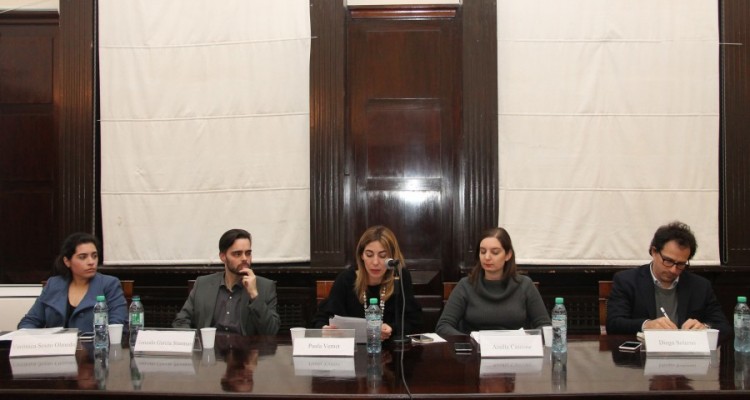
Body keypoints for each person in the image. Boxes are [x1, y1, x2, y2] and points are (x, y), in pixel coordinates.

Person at [606, 221, 731, 338]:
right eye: (668, 261)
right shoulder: (627, 281)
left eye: (681, 264)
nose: (673, 270)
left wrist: (705, 327)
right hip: (642, 357)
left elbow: (724, 327)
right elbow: (613, 324)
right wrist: (646, 325)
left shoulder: (700, 286)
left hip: (687, 357)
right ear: (654, 252)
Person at [312, 225, 422, 340]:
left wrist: (391, 328)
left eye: (383, 256)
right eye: (369, 255)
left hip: (391, 350)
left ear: (392, 258)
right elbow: (321, 318)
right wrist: (324, 328)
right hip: (354, 350)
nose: (375, 262)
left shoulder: (399, 277)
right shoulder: (346, 279)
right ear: (361, 255)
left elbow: (415, 321)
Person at [436, 227, 550, 337]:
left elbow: (545, 326)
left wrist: (525, 339)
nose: (487, 257)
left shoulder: (525, 285)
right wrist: (470, 341)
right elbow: (443, 326)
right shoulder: (466, 285)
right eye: (482, 251)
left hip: (515, 350)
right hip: (475, 350)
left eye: (495, 252)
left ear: (508, 255)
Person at [173, 229, 280, 335]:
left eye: (248, 253)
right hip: (210, 349)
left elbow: (271, 331)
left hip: (246, 351)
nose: (244, 258)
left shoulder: (265, 287)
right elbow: (181, 322)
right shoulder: (203, 284)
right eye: (237, 254)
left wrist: (254, 296)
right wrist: (196, 344)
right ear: (223, 257)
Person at [18, 232, 127, 332]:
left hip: (96, 349)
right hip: (57, 349)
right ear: (67, 261)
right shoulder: (53, 284)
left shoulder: (109, 284)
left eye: (94, 256)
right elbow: (29, 322)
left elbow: (117, 325)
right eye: (83, 257)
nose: (91, 262)